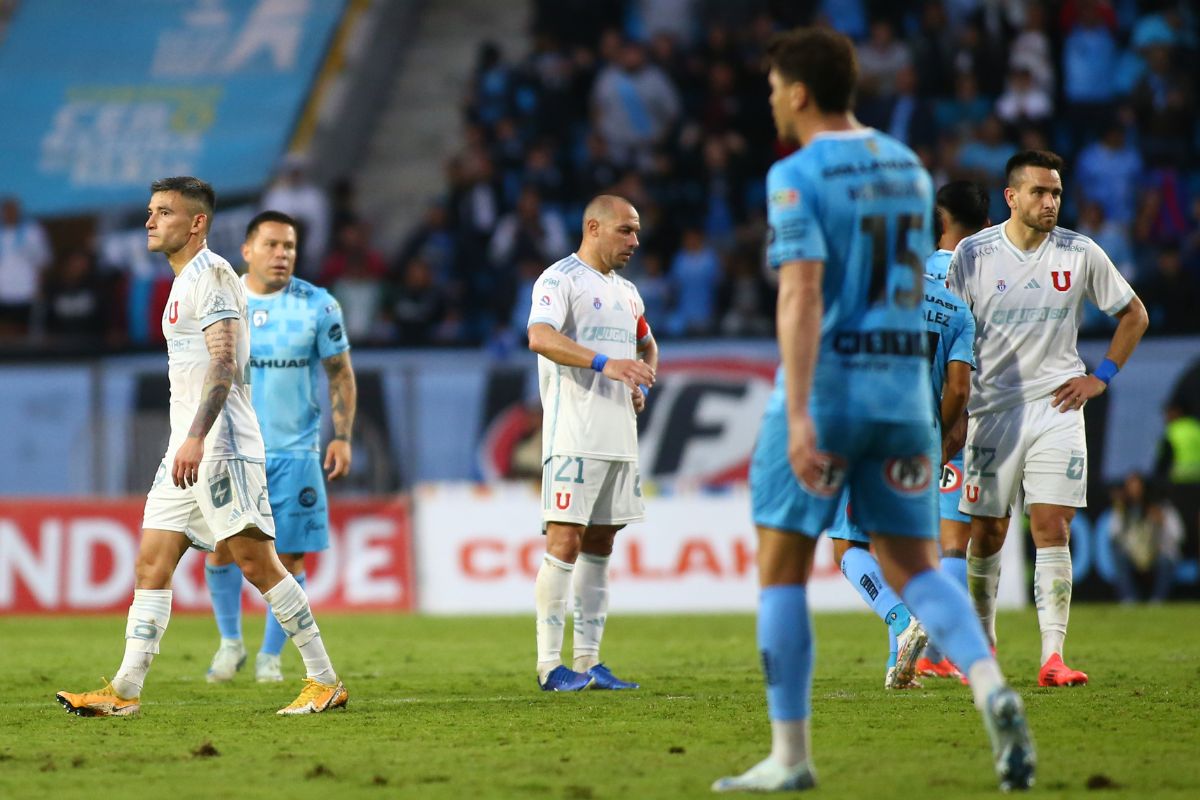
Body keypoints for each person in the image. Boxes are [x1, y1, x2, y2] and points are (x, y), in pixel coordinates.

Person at [714, 28, 1033, 794]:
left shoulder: (797, 171)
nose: (770, 103)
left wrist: (796, 413)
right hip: (904, 401)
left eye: (771, 90)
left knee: (782, 572)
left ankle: (790, 758)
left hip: (830, 387)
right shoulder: (906, 166)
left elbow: (801, 292)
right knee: (920, 569)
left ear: (797, 92)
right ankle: (993, 688)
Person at [55, 178, 347, 717]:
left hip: (221, 445)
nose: (150, 221)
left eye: (163, 212)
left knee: (258, 564)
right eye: (149, 211)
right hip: (188, 446)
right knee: (151, 564)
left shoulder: (210, 275)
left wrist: (195, 435)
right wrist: (185, 439)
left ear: (196, 223)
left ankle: (323, 679)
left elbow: (223, 362)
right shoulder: (184, 281)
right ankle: (124, 691)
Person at [948, 150, 1149, 688]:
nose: (1050, 202)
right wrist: (951, 403)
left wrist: (1100, 375)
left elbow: (1134, 314)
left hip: (1058, 406)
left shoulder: (1079, 252)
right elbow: (947, 332)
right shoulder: (972, 255)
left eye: (1056, 192)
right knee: (988, 533)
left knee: (1052, 526)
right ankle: (982, 648)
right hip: (990, 411)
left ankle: (1052, 657)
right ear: (1011, 197)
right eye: (1039, 192)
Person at [827, 180, 987, 689]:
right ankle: (923, 656)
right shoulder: (956, 307)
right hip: (927, 438)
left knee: (848, 546)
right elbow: (960, 389)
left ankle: (900, 621)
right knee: (926, 548)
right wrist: (940, 440)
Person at [203, 210, 357, 684]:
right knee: (221, 550)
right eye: (271, 244)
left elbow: (340, 375)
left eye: (289, 246)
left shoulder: (318, 304)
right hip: (232, 450)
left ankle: (271, 657)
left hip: (296, 453)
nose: (282, 254)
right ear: (247, 250)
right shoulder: (223, 303)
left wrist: (344, 437)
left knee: (289, 558)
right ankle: (231, 644)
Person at [526, 194, 658, 692]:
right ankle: (547, 666)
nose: (635, 240)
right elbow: (539, 336)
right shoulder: (559, 279)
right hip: (574, 434)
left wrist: (642, 380)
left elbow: (648, 342)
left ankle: (587, 662)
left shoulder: (627, 292)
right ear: (593, 227)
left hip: (618, 436)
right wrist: (609, 364)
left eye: (637, 231)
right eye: (626, 230)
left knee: (601, 543)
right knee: (565, 541)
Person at [915, 179, 991, 680]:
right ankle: (951, 650)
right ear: (986, 226)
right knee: (962, 543)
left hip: (916, 422)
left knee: (925, 545)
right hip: (976, 424)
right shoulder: (991, 275)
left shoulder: (909, 277)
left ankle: (924, 645)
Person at [1108, 472, 1183, 603]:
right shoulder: (1123, 510)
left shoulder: (1162, 507)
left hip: (1158, 554)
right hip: (1134, 556)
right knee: (1118, 554)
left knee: (1166, 559)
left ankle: (1158, 600)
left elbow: (1179, 535)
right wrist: (1120, 512)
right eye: (1130, 487)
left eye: (1137, 487)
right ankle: (1129, 599)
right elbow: (1113, 534)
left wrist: (1162, 521)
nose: (1134, 491)